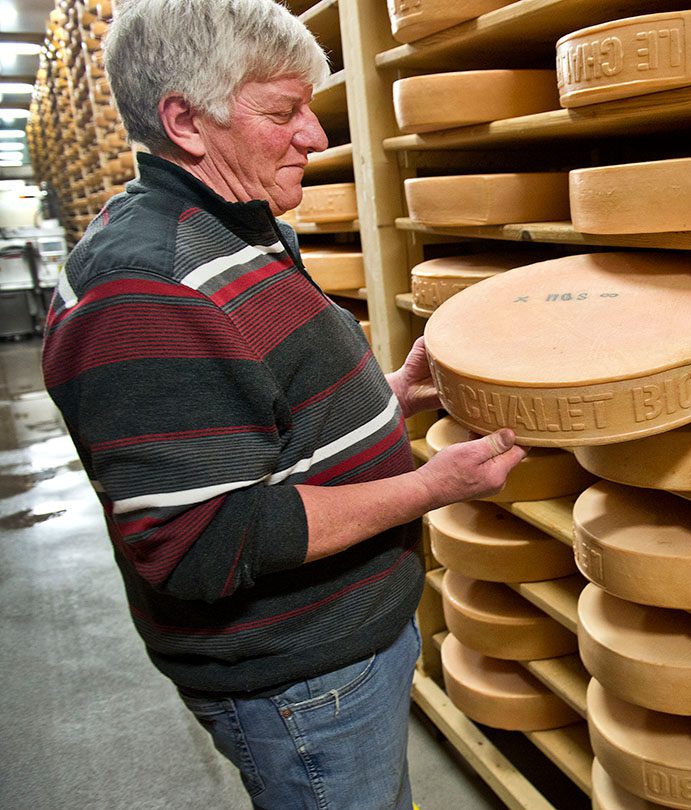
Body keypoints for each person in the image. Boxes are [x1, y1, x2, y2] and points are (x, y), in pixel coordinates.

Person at [40, 1, 526, 807]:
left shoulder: (238, 225)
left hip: (340, 649)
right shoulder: (144, 291)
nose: (316, 137)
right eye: (282, 112)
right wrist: (431, 487)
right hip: (299, 682)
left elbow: (249, 412)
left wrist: (388, 401)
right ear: (185, 122)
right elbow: (201, 540)